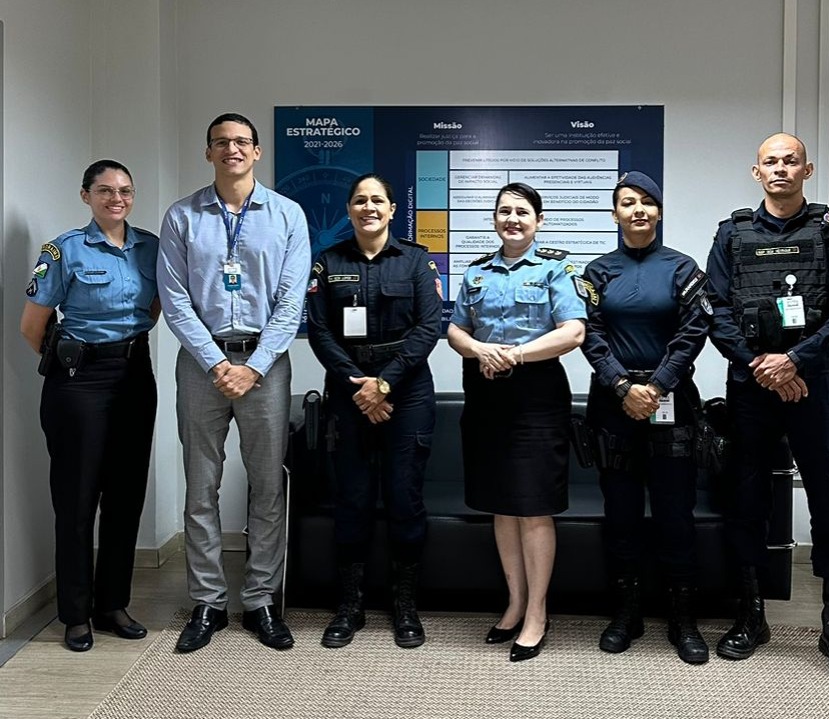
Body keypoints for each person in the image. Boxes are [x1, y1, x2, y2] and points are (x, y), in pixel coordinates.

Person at [706, 133, 829, 680]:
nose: (780, 168)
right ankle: (752, 615)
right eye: (770, 162)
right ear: (757, 173)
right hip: (753, 388)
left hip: (813, 384)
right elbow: (716, 313)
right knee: (747, 498)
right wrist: (765, 369)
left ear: (808, 169)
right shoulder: (731, 235)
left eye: (790, 160)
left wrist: (794, 361)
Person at [157, 113, 311, 653]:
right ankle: (208, 603)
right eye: (221, 142)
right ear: (208, 153)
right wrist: (215, 362)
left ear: (258, 151)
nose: (232, 150)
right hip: (201, 366)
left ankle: (262, 601)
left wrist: (254, 364)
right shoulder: (182, 216)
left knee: (267, 487)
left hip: (265, 367)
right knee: (201, 486)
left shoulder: (288, 215)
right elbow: (173, 299)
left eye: (241, 142)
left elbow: (292, 302)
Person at [20, 160, 159, 652]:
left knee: (125, 496)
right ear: (86, 196)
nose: (116, 199)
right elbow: (32, 326)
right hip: (79, 381)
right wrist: (75, 361)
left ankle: (111, 604)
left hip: (135, 374)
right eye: (104, 191)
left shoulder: (150, 246)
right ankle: (75, 614)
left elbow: (155, 308)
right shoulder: (64, 250)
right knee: (77, 499)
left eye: (124, 190)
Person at [447, 182, 585, 662]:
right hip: (485, 394)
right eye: (504, 211)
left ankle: (538, 614)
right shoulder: (476, 272)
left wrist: (514, 356)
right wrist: (481, 350)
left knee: (532, 506)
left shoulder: (556, 268)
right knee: (501, 505)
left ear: (538, 221)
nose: (512, 219)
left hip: (536, 396)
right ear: (494, 220)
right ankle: (514, 602)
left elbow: (573, 331)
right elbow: (455, 328)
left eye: (522, 212)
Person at [306, 173, 442, 649]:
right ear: (349, 210)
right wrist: (359, 385)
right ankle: (351, 606)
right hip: (348, 391)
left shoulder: (417, 260)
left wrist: (384, 384)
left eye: (377, 200)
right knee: (352, 498)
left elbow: (429, 328)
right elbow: (319, 332)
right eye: (360, 201)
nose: (369, 207)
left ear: (391, 210)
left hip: (406, 393)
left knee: (405, 497)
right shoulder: (328, 261)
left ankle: (405, 607)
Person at [580, 172, 711, 664]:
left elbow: (692, 333)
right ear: (614, 214)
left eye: (646, 202)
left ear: (658, 212)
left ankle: (683, 619)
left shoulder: (683, 267)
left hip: (670, 402)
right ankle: (626, 613)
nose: (637, 209)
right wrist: (622, 387)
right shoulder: (595, 272)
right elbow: (588, 335)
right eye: (626, 202)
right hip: (613, 405)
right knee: (622, 513)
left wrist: (654, 388)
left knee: (676, 513)